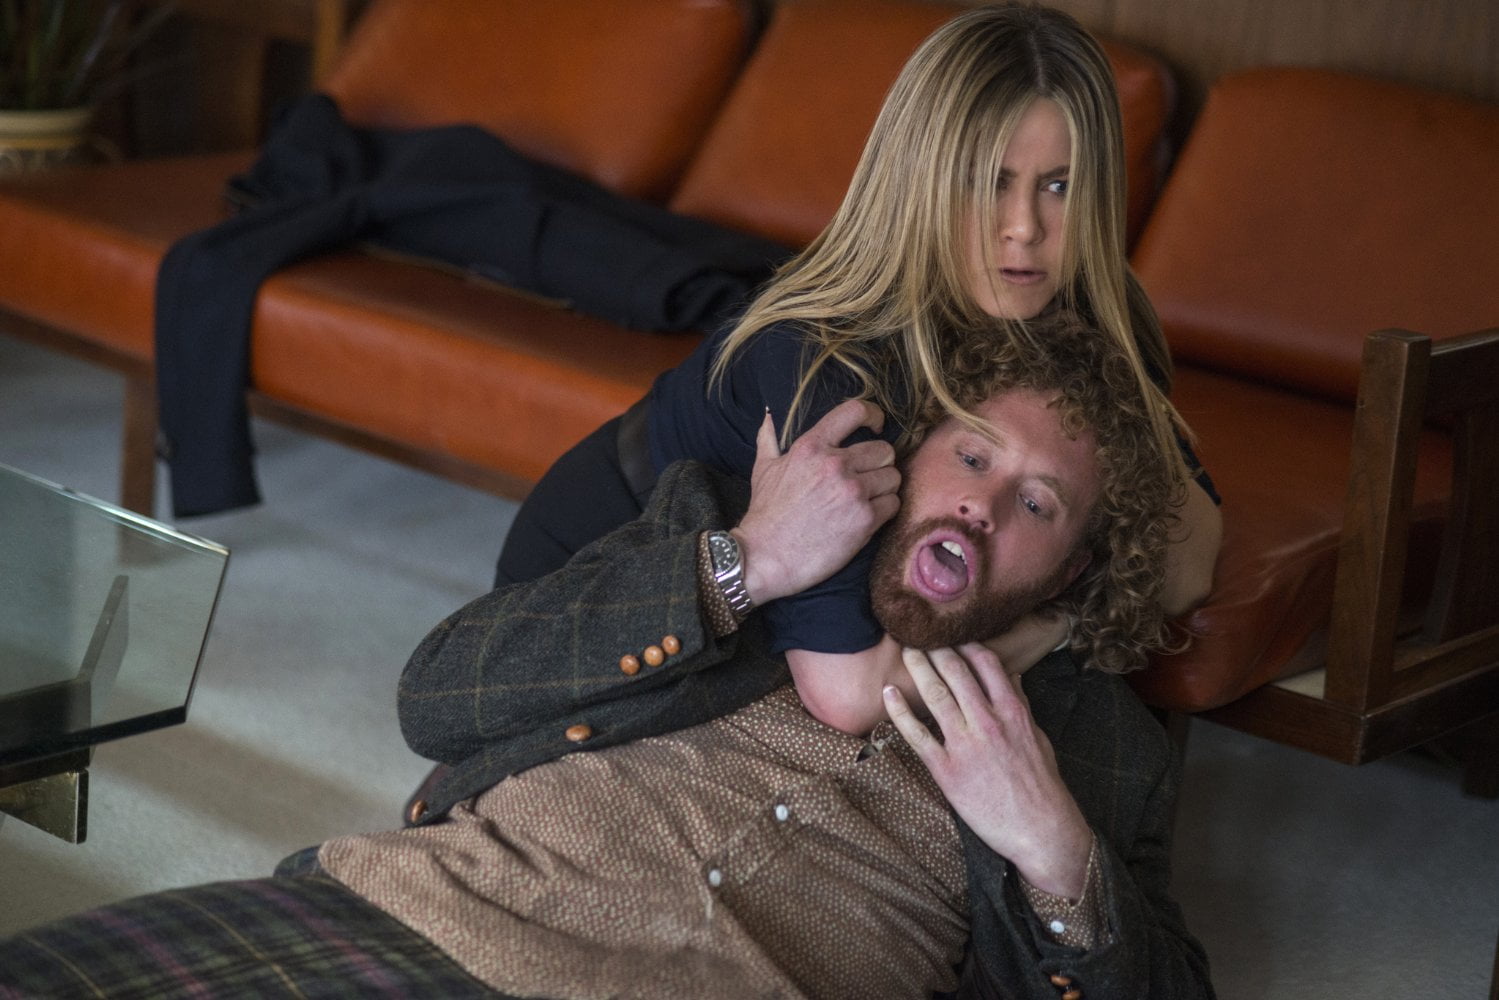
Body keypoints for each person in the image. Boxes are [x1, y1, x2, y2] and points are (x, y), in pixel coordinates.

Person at [0, 314, 1214, 999]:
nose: (981, 507)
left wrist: (1052, 852)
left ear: (1073, 569)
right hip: (427, 919)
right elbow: (438, 693)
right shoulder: (730, 524)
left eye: (1038, 503)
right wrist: (739, 565)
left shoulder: (1096, 753)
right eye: (972, 454)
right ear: (915, 446)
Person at [493, 0, 1222, 685]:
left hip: (754, 617)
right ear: (919, 182)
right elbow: (855, 690)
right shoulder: (828, 354)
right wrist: (1048, 628)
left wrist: (1060, 620)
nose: (1025, 227)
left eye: (1059, 186)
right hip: (603, 581)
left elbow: (1188, 565)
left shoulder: (1096, 317)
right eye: (986, 182)